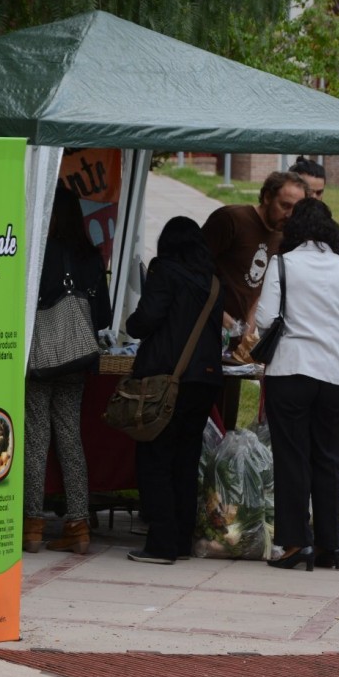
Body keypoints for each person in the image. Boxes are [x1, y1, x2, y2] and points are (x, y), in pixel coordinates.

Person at [256, 198, 339, 571]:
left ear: (294, 229)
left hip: (291, 370)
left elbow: (266, 319)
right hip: (335, 374)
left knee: (291, 458)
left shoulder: (282, 264)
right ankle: (331, 546)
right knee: (330, 460)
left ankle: (293, 542)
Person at [124, 216, 224, 565]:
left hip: (169, 379)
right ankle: (182, 538)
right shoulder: (212, 281)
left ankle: (161, 543)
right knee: (185, 459)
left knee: (156, 459)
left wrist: (130, 324)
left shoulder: (164, 270)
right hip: (206, 380)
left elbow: (148, 318)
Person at [23, 187, 110, 555]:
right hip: (78, 358)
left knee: (36, 435)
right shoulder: (91, 255)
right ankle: (77, 524)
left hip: (41, 358)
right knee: (70, 436)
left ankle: (32, 524)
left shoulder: (36, 254)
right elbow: (103, 316)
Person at [202, 171, 309, 429]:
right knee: (202, 411)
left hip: (236, 340)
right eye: (285, 205)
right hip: (205, 330)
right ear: (266, 196)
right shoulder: (231, 219)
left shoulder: (282, 237)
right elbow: (195, 269)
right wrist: (222, 317)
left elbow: (261, 286)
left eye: (297, 209)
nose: (290, 215)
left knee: (226, 415)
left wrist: (250, 323)